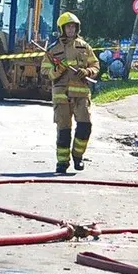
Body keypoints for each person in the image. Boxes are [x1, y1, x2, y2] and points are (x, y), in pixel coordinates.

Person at [41, 12, 100, 173]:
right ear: (62, 29)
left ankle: (78, 156)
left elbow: (95, 65)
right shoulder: (53, 50)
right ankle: (62, 162)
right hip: (61, 96)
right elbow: (45, 71)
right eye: (68, 27)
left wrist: (87, 71)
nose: (71, 30)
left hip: (81, 96)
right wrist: (58, 70)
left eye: (73, 27)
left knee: (85, 126)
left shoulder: (84, 47)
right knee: (63, 130)